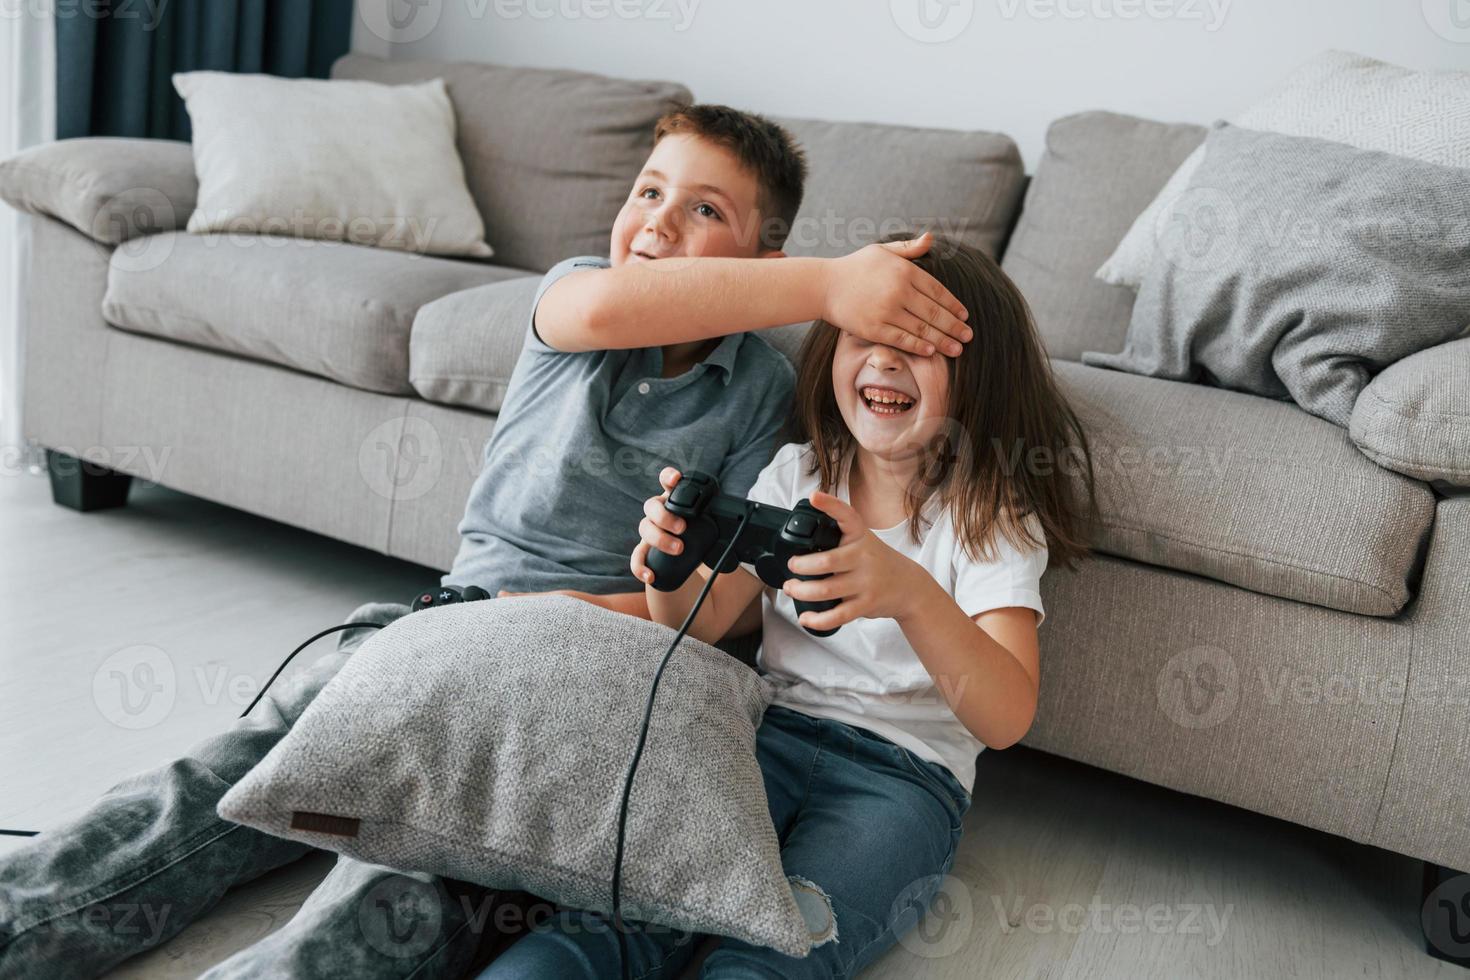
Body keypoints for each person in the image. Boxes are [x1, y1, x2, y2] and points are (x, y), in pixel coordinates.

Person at [0, 107, 973, 979]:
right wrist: (834, 281)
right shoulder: (575, 301)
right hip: (442, 624)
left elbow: (722, 600)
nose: (661, 222)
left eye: (705, 210)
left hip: (587, 675)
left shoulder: (762, 391)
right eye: (648, 192)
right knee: (228, 770)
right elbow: (605, 308)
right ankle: (23, 913)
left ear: (760, 260)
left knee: (407, 884)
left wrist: (562, 612)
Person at [479, 236, 1096, 979]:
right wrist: (669, 566)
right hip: (761, 735)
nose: (886, 359)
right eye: (866, 335)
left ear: (981, 377)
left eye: (920, 346)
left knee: (779, 947)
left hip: (902, 781)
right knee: (625, 910)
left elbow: (1005, 716)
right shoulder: (796, 474)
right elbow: (697, 627)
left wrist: (908, 592)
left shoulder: (989, 516)